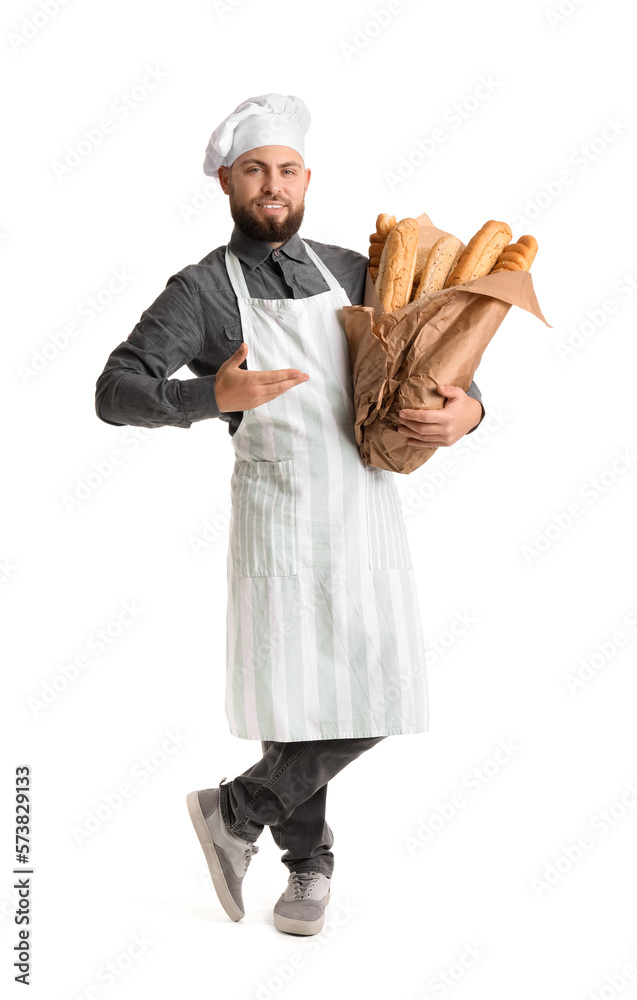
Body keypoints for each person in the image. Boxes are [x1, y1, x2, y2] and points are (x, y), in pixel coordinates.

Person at [94, 93, 486, 936]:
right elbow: (115, 392)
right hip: (277, 512)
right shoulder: (201, 291)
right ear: (228, 183)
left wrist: (468, 411)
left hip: (365, 509)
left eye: (285, 170)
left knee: (378, 693)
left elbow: (437, 357)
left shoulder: (355, 273)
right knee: (297, 700)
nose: (271, 185)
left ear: (306, 178)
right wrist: (210, 394)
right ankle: (306, 868)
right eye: (253, 171)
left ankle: (235, 811)